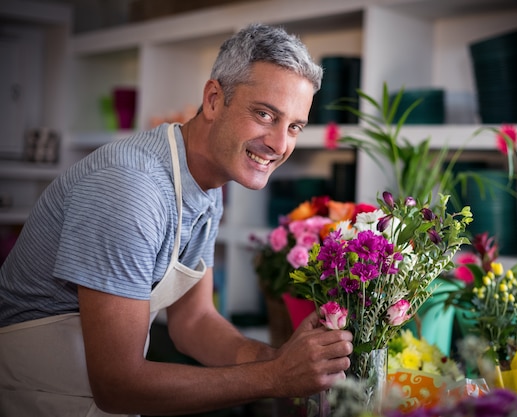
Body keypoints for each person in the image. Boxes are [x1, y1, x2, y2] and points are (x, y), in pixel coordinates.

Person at [0, 23, 353, 416]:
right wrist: (275, 377)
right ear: (214, 99)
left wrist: (281, 360)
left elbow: (194, 321)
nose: (279, 144)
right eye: (265, 114)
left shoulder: (207, 185)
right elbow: (117, 384)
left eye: (294, 127)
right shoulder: (132, 189)